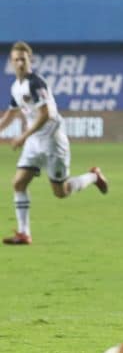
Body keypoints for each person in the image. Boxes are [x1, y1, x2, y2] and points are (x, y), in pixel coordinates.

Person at [0, 42, 107, 245]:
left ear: (30, 60)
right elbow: (9, 116)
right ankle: (24, 234)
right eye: (16, 59)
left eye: (24, 59)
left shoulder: (36, 83)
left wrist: (23, 136)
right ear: (11, 63)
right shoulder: (16, 87)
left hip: (52, 141)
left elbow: (46, 114)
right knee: (18, 183)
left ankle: (94, 176)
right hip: (34, 142)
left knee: (61, 192)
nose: (20, 63)